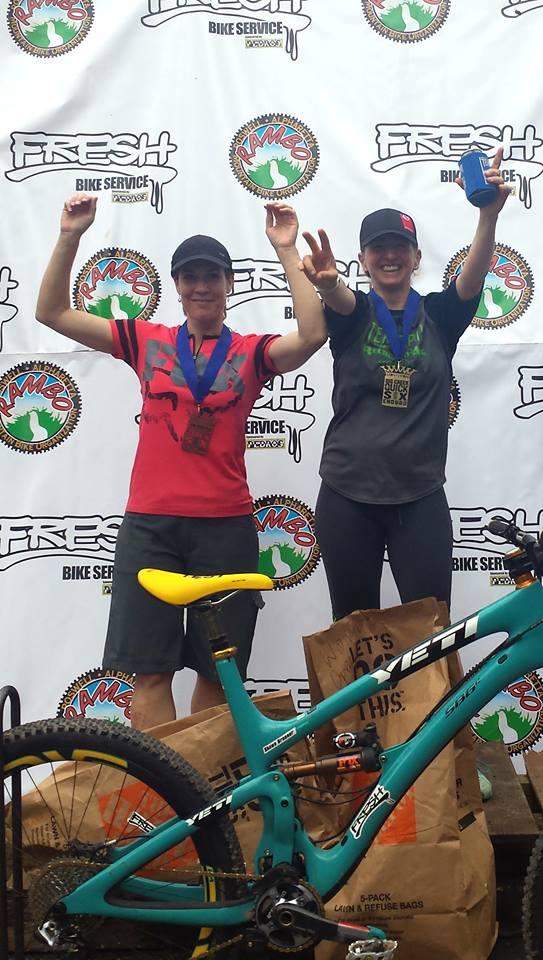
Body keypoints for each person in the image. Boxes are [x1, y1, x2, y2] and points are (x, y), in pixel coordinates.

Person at [36, 194, 328, 728]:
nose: (201, 287)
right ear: (175, 286)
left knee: (221, 675)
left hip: (226, 526)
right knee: (148, 674)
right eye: (189, 277)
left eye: (212, 277)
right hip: (151, 525)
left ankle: (207, 797)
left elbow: (312, 333)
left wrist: (286, 248)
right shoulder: (146, 342)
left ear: (229, 286)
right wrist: (70, 237)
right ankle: (164, 802)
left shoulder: (250, 353)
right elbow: (51, 312)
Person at [299, 150, 512, 620]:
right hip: (347, 496)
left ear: (417, 257)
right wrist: (328, 284)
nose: (390, 255)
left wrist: (487, 217)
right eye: (379, 247)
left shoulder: (440, 315)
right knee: (354, 632)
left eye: (400, 247)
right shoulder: (352, 314)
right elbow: (339, 297)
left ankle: (437, 701)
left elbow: (473, 279)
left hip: (419, 499)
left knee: (433, 630)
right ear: (364, 259)